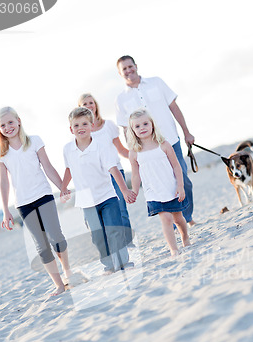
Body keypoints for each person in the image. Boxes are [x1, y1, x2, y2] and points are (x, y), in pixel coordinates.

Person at [0, 106, 71, 296]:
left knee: (56, 237)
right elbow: (4, 183)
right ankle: (59, 285)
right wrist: (6, 211)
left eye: (10, 122)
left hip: (43, 195)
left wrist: (62, 186)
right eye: (3, 125)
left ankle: (68, 272)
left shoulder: (34, 141)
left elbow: (47, 166)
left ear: (19, 121)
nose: (8, 127)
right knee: (41, 245)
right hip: (23, 204)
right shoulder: (1, 153)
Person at [115, 55, 196, 228]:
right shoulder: (121, 99)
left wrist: (187, 132)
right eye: (124, 69)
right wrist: (132, 150)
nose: (129, 71)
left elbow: (174, 107)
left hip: (170, 140)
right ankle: (173, 224)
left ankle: (186, 218)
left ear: (136, 66)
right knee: (160, 184)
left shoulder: (156, 82)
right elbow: (125, 128)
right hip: (146, 150)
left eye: (130, 66)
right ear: (120, 73)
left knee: (182, 179)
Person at [61, 107, 137, 275]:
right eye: (76, 125)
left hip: (107, 196)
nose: (81, 127)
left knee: (114, 230)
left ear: (92, 125)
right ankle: (109, 265)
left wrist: (124, 191)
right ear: (70, 129)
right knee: (97, 236)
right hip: (86, 201)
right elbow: (68, 169)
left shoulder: (101, 146)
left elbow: (113, 169)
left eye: (85, 124)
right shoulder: (68, 149)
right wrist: (64, 187)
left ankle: (123, 262)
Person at [127, 108, 190, 257]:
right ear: (132, 130)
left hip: (171, 187)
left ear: (152, 125)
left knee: (178, 219)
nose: (142, 128)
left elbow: (176, 166)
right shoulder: (134, 152)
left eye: (145, 124)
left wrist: (180, 186)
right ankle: (173, 249)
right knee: (166, 219)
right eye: (137, 126)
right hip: (153, 191)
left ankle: (185, 237)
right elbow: (135, 175)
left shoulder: (164, 144)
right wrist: (134, 191)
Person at [78, 93, 133, 244]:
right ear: (80, 108)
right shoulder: (81, 131)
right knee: (105, 214)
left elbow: (121, 150)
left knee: (121, 208)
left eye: (91, 102)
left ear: (95, 105)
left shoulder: (108, 125)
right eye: (85, 104)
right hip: (96, 178)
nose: (89, 106)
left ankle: (128, 242)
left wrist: (138, 158)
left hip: (115, 173)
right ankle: (115, 244)